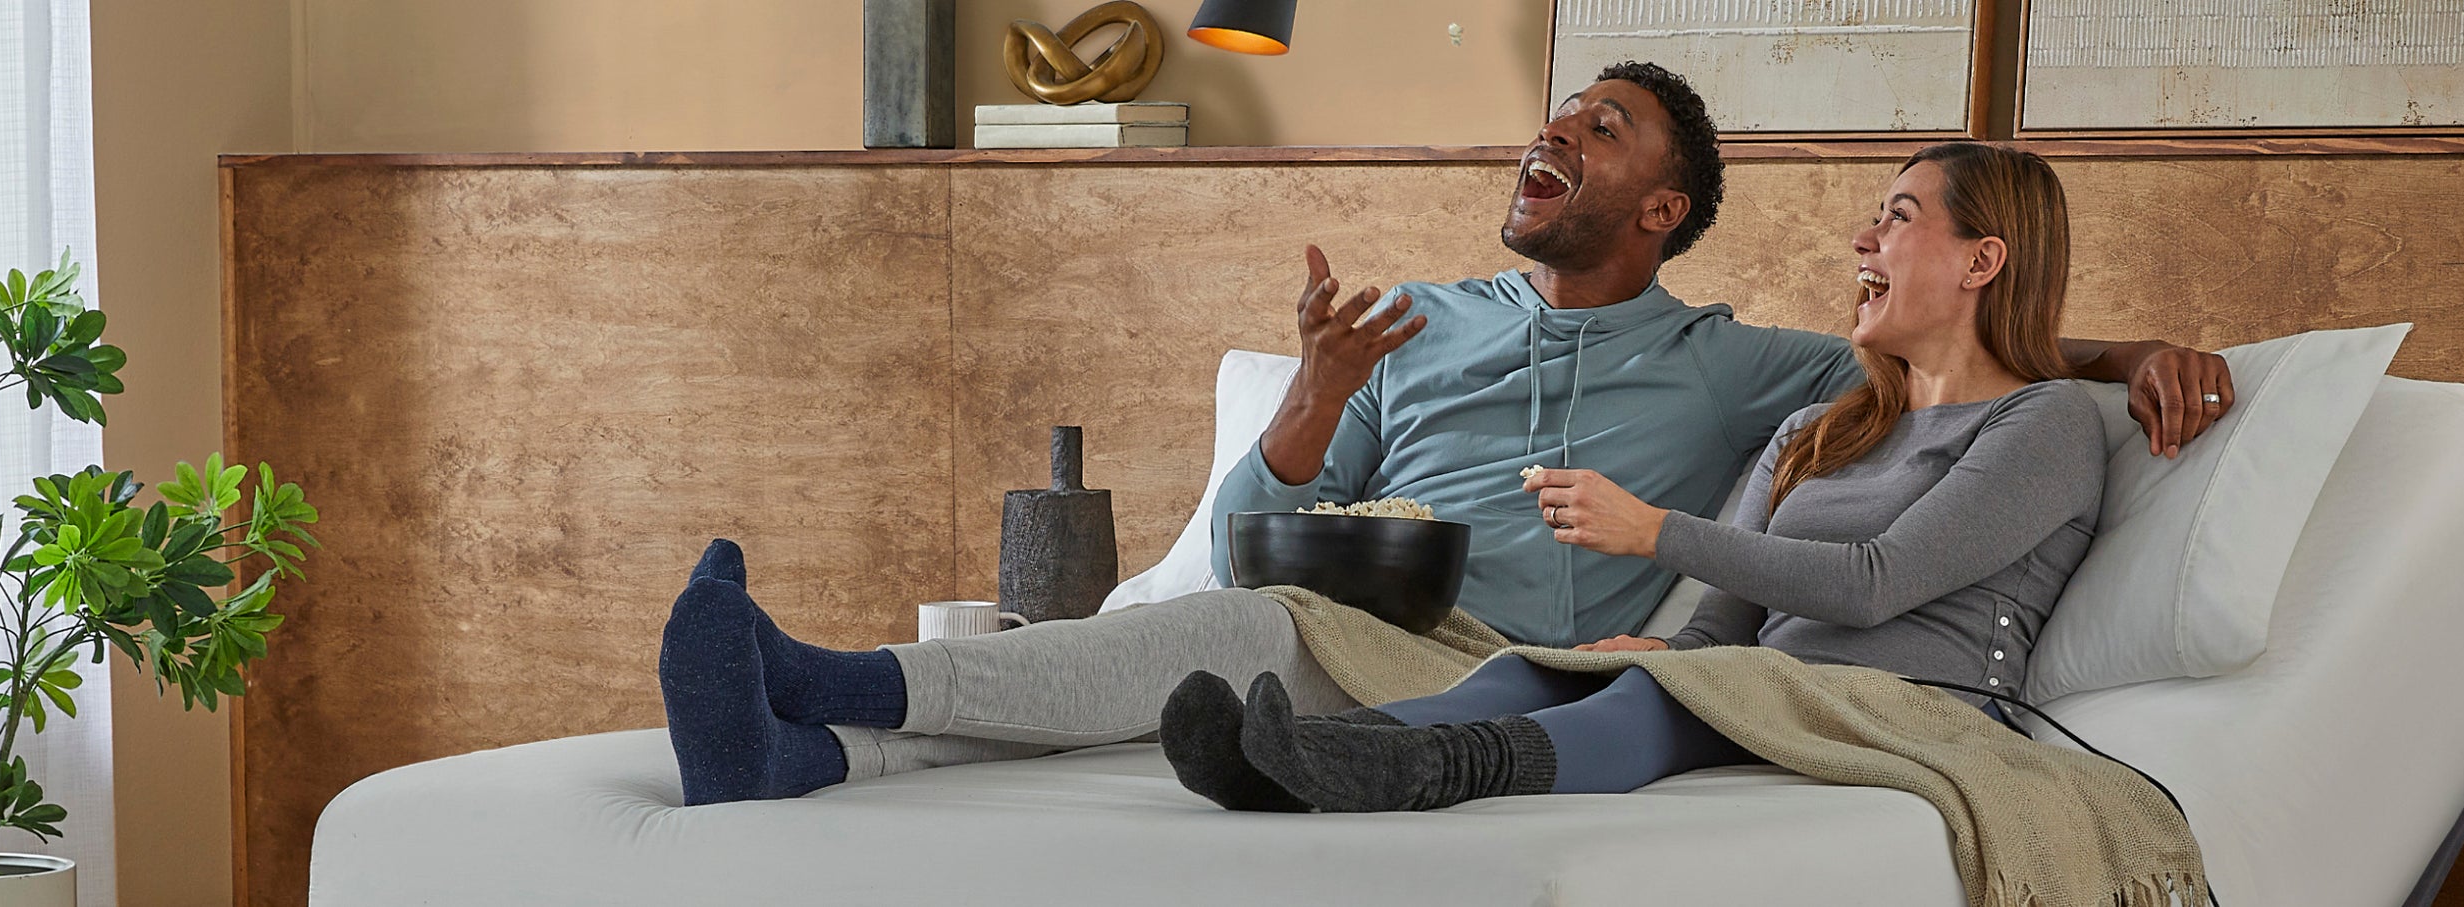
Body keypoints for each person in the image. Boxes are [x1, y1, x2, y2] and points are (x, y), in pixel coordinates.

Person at [653, 63, 2231, 808]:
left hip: (1546, 652)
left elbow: (1957, 373)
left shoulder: (1749, 365)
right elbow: (1250, 532)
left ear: (1664, 209)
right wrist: (1313, 405)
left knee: (1255, 647)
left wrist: (2126, 350)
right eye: (1553, 118)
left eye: (1598, 129)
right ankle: (808, 718)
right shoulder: (1419, 325)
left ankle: (817, 712)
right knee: (1223, 619)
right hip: (1387, 621)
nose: (1552, 135)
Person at [1161, 141, 2109, 811]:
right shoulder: (1821, 428)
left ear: (1985, 259)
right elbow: (1721, 623)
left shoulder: (2047, 421)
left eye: (1897, 220)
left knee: (1654, 697)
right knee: (1546, 672)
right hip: (1764, 686)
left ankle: (1413, 773)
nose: (1863, 242)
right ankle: (1292, 759)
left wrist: (1656, 531)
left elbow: (1875, 583)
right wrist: (1667, 648)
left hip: (1915, 710)